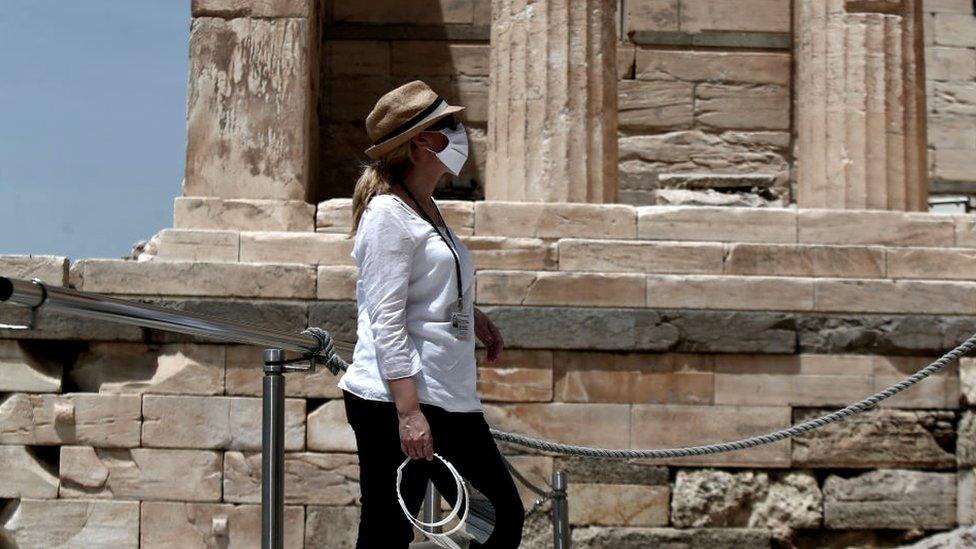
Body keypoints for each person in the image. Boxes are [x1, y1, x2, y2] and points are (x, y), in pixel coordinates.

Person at [338, 79, 525, 548]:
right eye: (451, 125)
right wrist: (408, 413)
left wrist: (471, 313)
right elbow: (386, 317)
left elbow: (424, 285)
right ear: (423, 140)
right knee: (390, 530)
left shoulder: (427, 207)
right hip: (397, 399)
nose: (462, 132)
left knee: (495, 519)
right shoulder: (387, 214)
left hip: (446, 389)